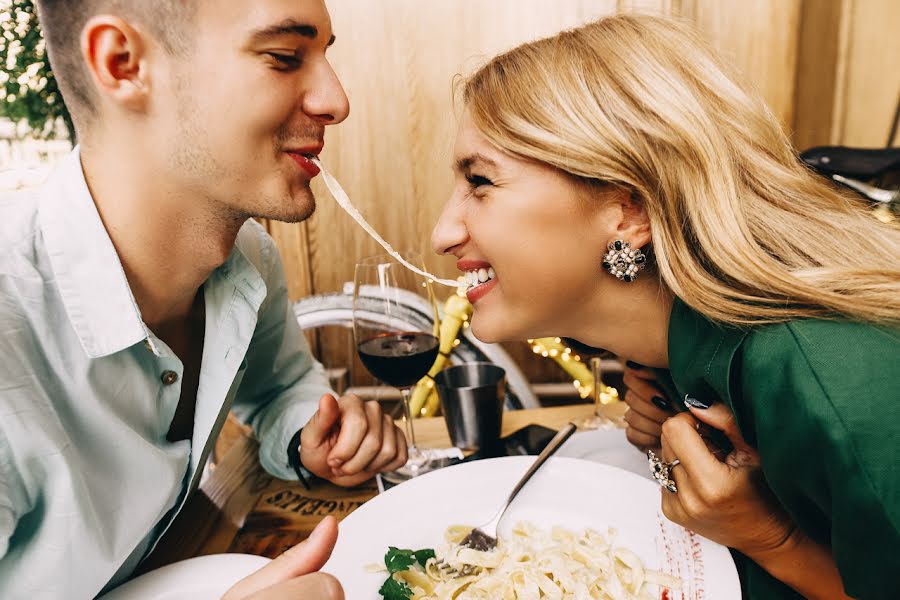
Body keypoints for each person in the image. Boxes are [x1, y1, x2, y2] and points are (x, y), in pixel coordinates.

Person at [431, 14, 900, 600]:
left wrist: (770, 538)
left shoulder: (829, 382)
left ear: (629, 211)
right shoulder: (665, 343)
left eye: (480, 181)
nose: (442, 233)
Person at [0, 1, 408, 597]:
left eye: (325, 55)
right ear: (122, 64)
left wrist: (307, 435)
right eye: (285, 57)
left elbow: (279, 390)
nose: (336, 100)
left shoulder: (250, 259)